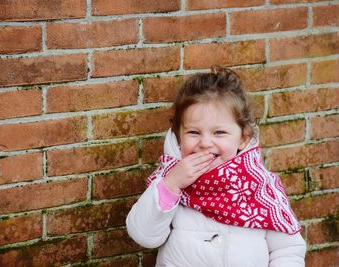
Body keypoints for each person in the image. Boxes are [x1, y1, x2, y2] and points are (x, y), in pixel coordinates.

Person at [126, 66, 306, 267]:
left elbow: (287, 250)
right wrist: (171, 185)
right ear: (179, 135)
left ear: (243, 138)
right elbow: (144, 235)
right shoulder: (171, 179)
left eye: (219, 133)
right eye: (193, 132)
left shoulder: (261, 188)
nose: (205, 143)